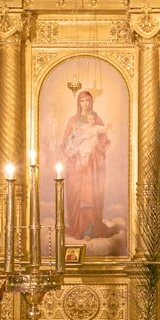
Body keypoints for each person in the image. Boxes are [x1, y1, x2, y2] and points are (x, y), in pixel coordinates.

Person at [61, 90, 112, 239]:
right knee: (77, 194)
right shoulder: (72, 121)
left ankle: (90, 229)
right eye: (82, 101)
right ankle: (78, 227)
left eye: (88, 101)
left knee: (90, 194)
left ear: (91, 102)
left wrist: (94, 150)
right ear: (78, 103)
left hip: (92, 164)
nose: (85, 104)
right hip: (76, 164)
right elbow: (66, 142)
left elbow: (103, 140)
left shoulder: (97, 120)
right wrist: (74, 152)